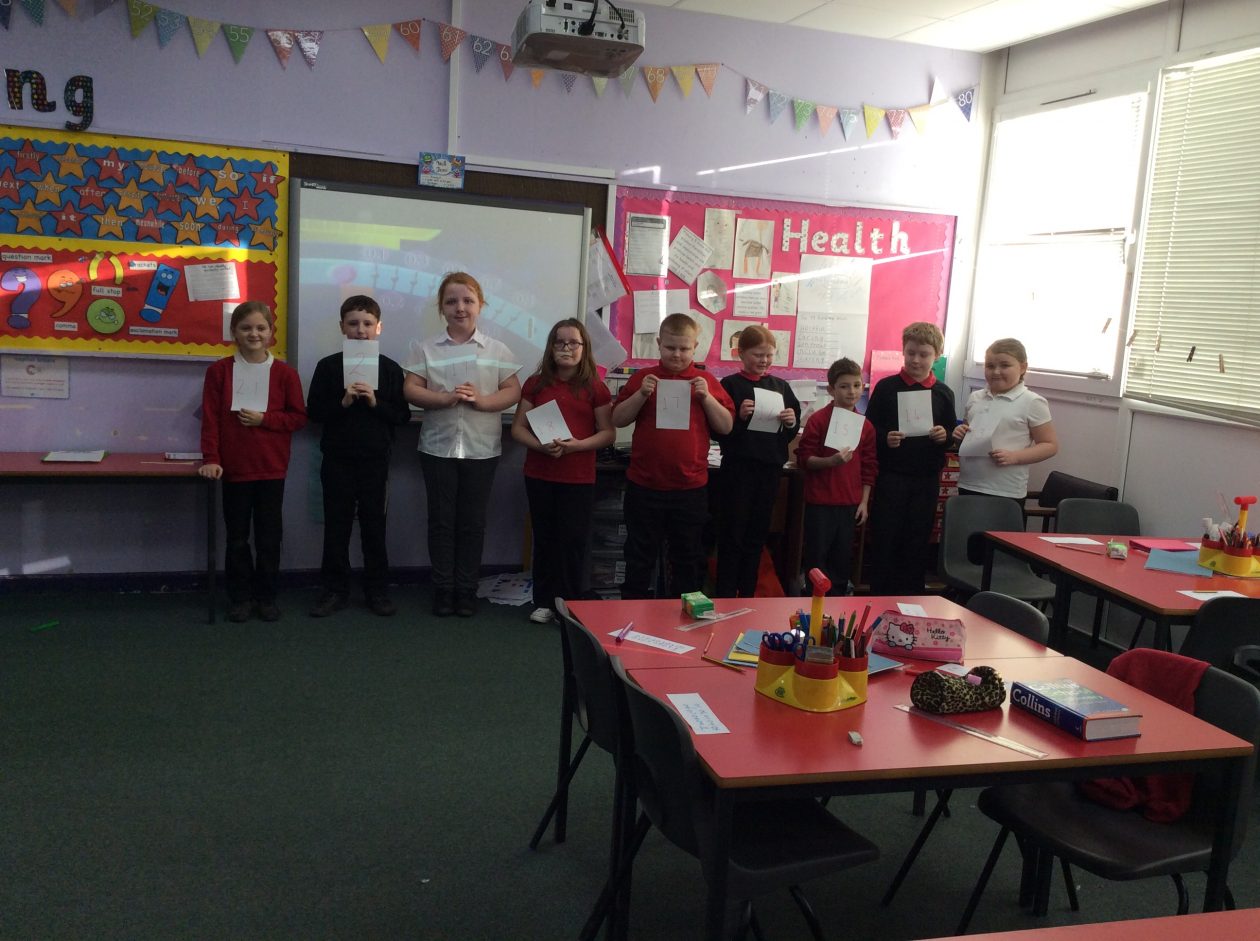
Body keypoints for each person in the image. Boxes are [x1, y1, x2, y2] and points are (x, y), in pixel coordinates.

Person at [404, 272, 521, 618]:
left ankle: (467, 590)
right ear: (441, 307)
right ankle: (443, 589)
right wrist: (442, 398)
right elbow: (410, 388)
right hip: (437, 448)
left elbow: (513, 391)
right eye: (451, 301)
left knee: (472, 523)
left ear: (480, 305)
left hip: (481, 449)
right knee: (441, 522)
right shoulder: (425, 347)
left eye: (468, 301)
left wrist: (482, 401)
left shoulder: (497, 349)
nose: (460, 308)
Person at [612, 312, 735, 599]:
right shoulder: (643, 378)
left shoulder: (706, 381)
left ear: (695, 347)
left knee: (688, 559)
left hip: (689, 488)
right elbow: (617, 419)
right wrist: (641, 395)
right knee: (638, 556)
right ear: (659, 344)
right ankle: (632, 613)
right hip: (645, 485)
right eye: (670, 347)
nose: (677, 354)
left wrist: (707, 398)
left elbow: (726, 427)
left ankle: (685, 618)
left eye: (684, 348)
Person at [198, 300, 307, 623]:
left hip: (271, 469)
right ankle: (241, 598)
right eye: (246, 328)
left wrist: (265, 419)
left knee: (269, 538)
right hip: (234, 470)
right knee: (237, 539)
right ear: (234, 332)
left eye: (261, 328)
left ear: (271, 332)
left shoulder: (285, 374)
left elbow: (298, 418)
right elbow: (210, 420)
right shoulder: (219, 372)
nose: (254, 334)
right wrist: (211, 458)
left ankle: (266, 597)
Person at [306, 295, 412, 618]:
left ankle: (376, 591)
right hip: (337, 459)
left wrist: (375, 402)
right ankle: (334, 590)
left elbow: (403, 416)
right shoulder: (328, 366)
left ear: (378, 327)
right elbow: (314, 412)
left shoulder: (390, 369)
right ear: (342, 327)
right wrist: (343, 402)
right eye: (353, 323)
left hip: (375, 461)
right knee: (336, 527)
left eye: (367, 324)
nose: (360, 330)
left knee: (374, 527)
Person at [511, 318, 615, 623]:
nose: (566, 348)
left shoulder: (595, 387)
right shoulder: (536, 384)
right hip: (540, 473)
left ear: (584, 348)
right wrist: (540, 446)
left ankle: (568, 606)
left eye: (573, 343)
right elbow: (518, 428)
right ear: (551, 347)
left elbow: (607, 433)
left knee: (573, 542)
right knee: (545, 539)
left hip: (578, 477)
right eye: (560, 342)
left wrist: (578, 446)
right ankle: (544, 602)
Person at [865, 321, 956, 595]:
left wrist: (944, 435)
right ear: (903, 351)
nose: (916, 360)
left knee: (916, 539)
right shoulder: (886, 388)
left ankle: (911, 599)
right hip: (891, 477)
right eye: (911, 353)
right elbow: (869, 428)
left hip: (925, 480)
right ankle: (879, 596)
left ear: (936, 356)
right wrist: (885, 437)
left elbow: (950, 433)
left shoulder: (943, 393)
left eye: (924, 354)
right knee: (885, 537)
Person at [715, 325, 800, 598]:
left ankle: (749, 594)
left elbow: (789, 431)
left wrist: (791, 422)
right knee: (733, 533)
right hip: (738, 470)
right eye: (757, 355)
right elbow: (719, 430)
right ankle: (725, 593)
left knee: (757, 535)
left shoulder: (781, 387)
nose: (764, 360)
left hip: (769, 470)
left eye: (769, 355)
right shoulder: (730, 385)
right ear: (741, 353)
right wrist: (738, 417)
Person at [795, 357, 877, 596]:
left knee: (842, 560)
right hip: (820, 503)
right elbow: (805, 459)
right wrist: (830, 462)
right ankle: (814, 603)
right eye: (844, 386)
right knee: (817, 558)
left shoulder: (865, 426)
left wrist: (864, 502)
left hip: (850, 504)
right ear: (831, 390)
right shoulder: (819, 420)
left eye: (856, 385)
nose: (851, 391)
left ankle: (838, 603)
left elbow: (869, 467)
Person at [952, 338, 1058, 503]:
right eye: (990, 366)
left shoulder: (1032, 402)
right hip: (969, 483)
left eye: (1005, 365)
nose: (996, 372)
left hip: (1006, 490)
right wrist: (960, 435)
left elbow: (1050, 445)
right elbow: (968, 439)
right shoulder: (975, 397)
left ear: (1022, 367)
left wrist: (1015, 457)